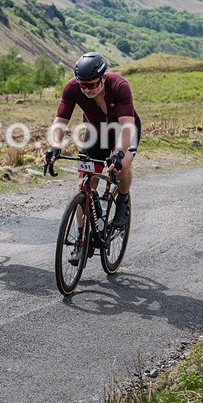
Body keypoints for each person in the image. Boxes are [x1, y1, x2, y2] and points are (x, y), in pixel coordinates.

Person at [44, 52, 141, 261]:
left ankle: (122, 199)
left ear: (103, 78)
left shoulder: (119, 86)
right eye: (83, 85)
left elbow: (127, 126)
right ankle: (82, 239)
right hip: (96, 133)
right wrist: (54, 146)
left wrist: (118, 154)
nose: (87, 89)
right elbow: (60, 120)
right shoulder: (72, 88)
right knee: (84, 184)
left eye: (92, 85)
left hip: (124, 130)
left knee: (122, 166)